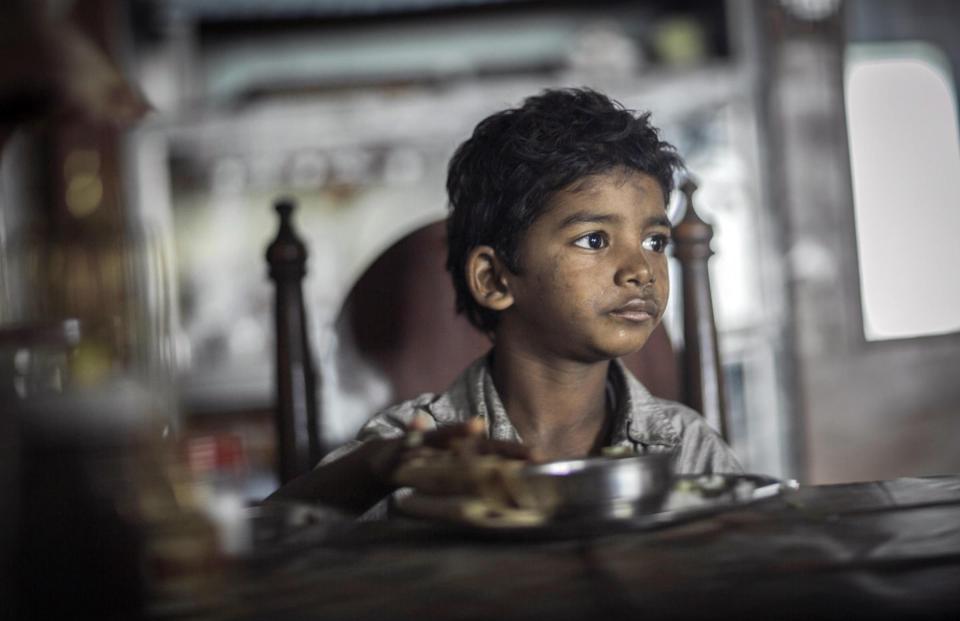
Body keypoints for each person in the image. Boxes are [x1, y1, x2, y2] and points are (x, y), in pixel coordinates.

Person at [268, 87, 742, 516]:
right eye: (595, 240)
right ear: (494, 279)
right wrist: (377, 468)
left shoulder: (684, 445)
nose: (641, 270)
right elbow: (263, 544)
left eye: (655, 242)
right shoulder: (415, 449)